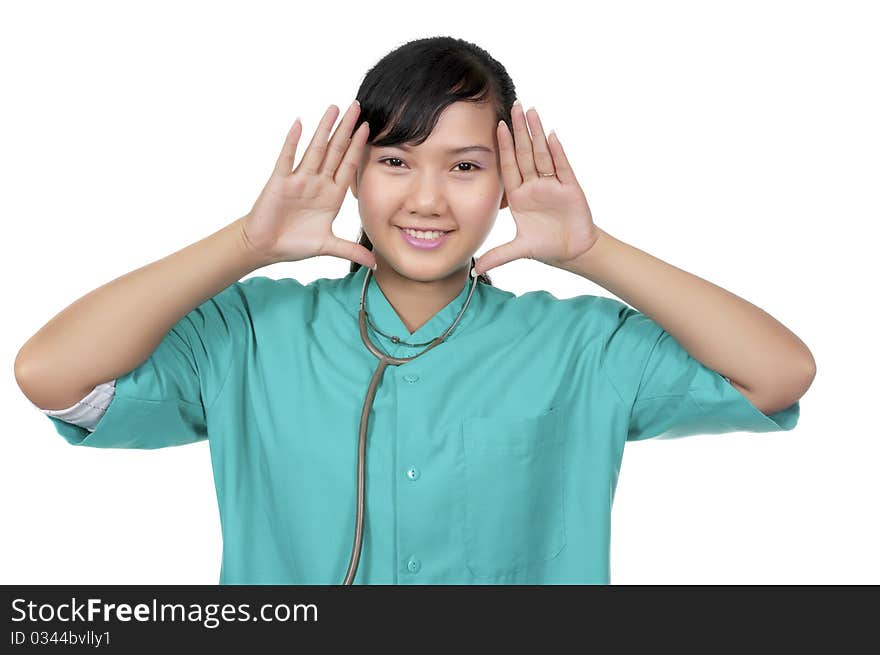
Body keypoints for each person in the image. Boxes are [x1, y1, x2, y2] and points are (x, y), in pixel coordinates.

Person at [13, 36, 814, 585]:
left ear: (505, 180)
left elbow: (779, 372)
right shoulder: (248, 332)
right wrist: (245, 246)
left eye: (464, 166)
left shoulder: (582, 348)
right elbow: (52, 374)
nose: (427, 198)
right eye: (395, 160)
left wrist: (591, 251)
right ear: (354, 171)